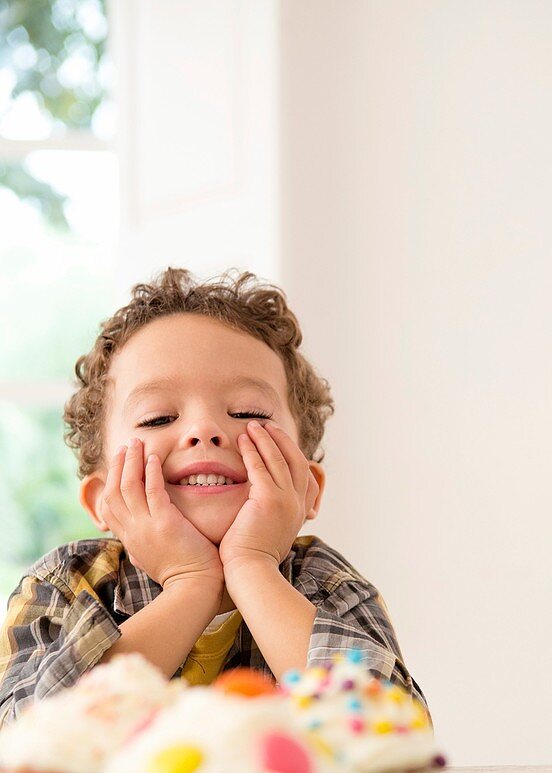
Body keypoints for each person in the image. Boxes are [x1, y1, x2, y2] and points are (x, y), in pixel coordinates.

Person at [0, 268, 427, 726]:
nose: (205, 430)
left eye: (248, 412)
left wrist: (253, 565)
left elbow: (395, 738)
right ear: (103, 499)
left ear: (307, 487)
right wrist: (189, 583)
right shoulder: (66, 584)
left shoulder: (330, 587)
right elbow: (26, 743)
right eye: (158, 418)